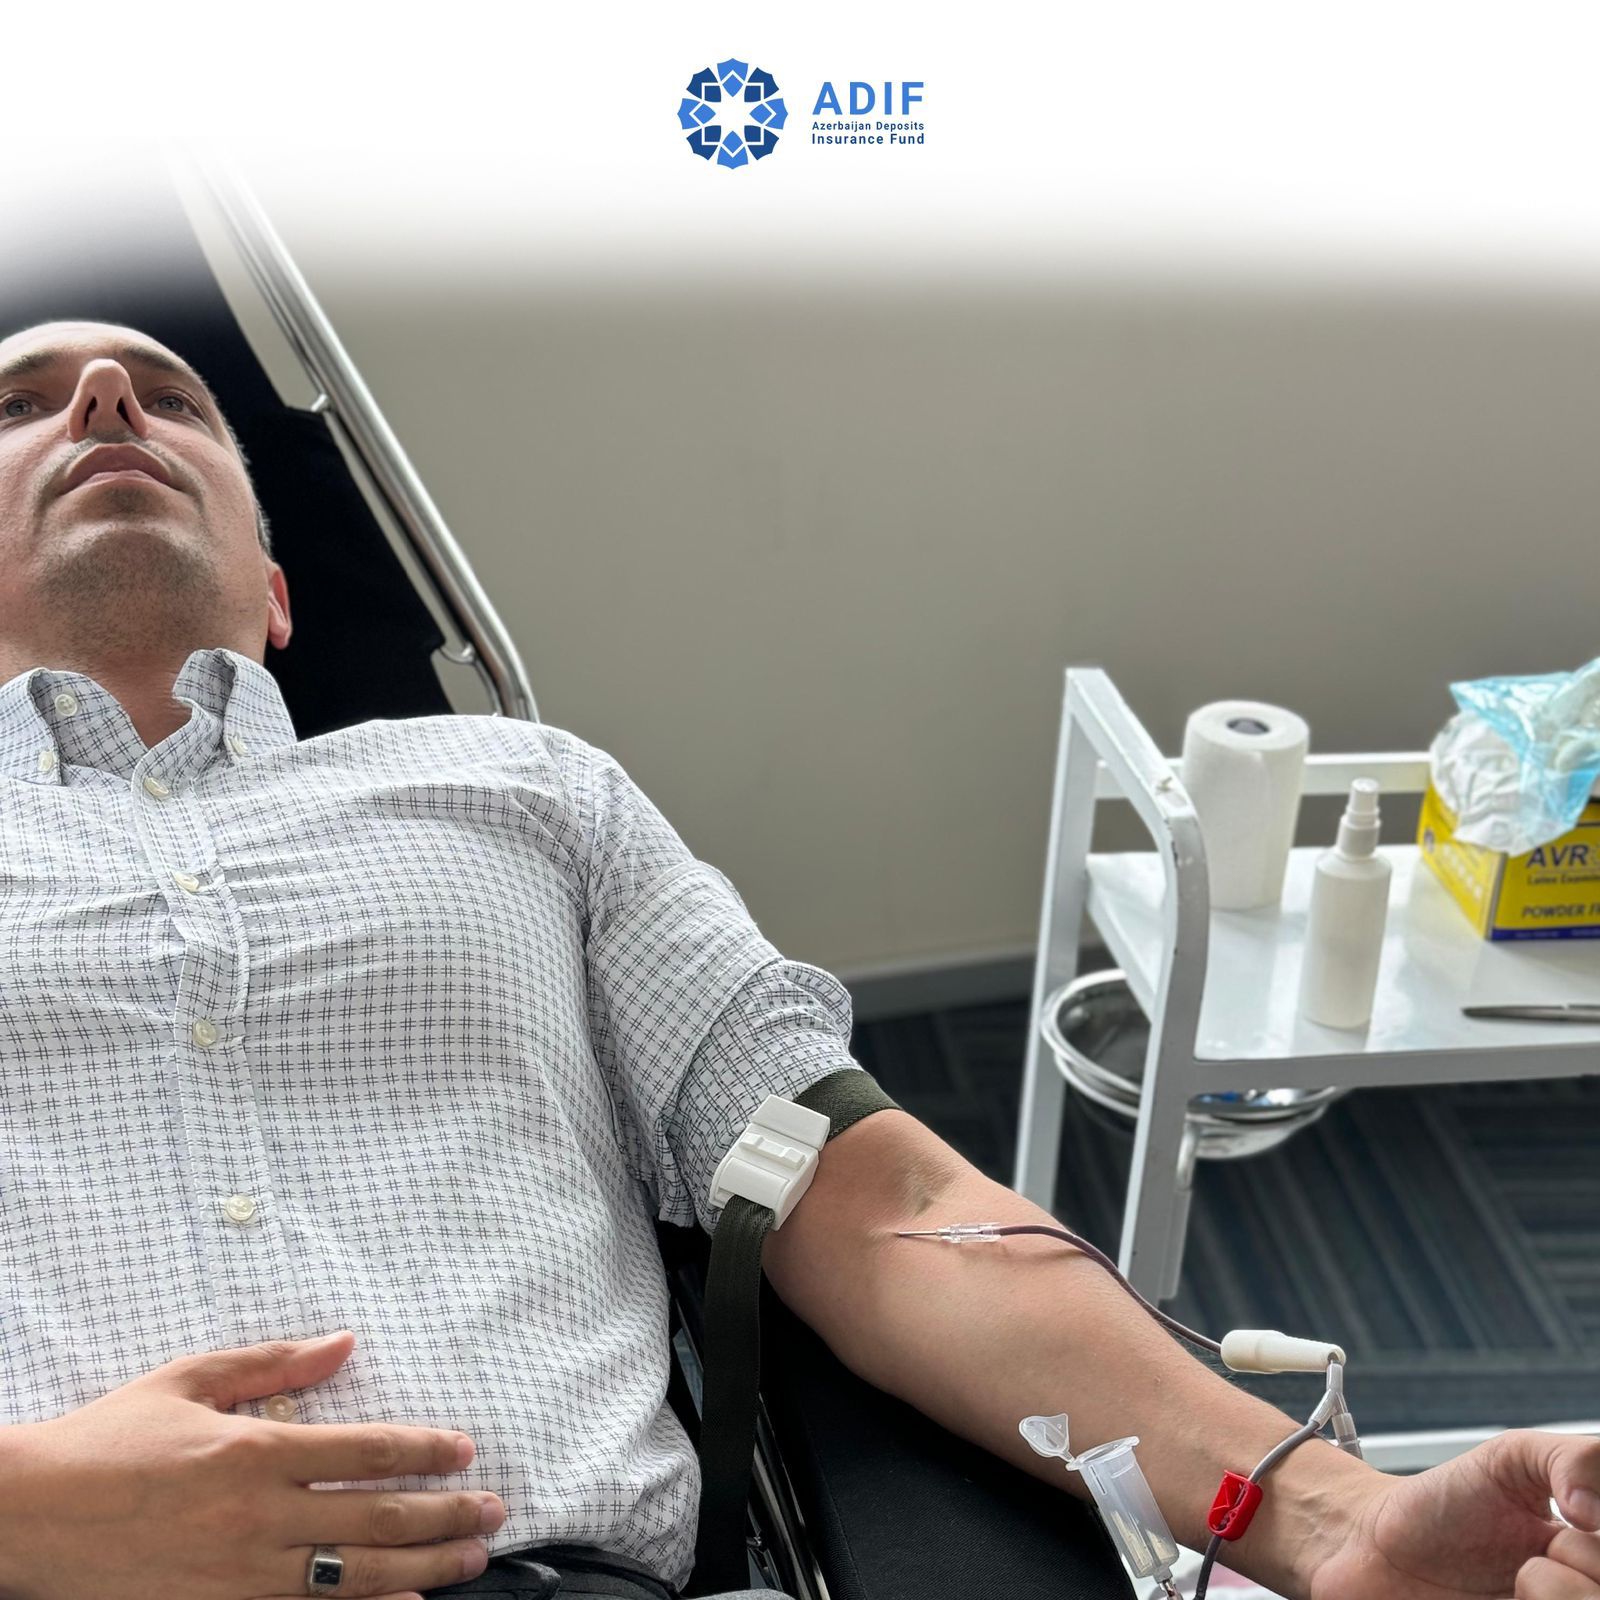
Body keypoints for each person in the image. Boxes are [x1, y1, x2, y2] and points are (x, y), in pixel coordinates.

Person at [0, 317, 1595, 1600]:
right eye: (21, 404)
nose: (105, 402)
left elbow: (882, 1205)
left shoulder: (525, 793)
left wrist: (1335, 1520)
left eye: (173, 397)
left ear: (280, 595)